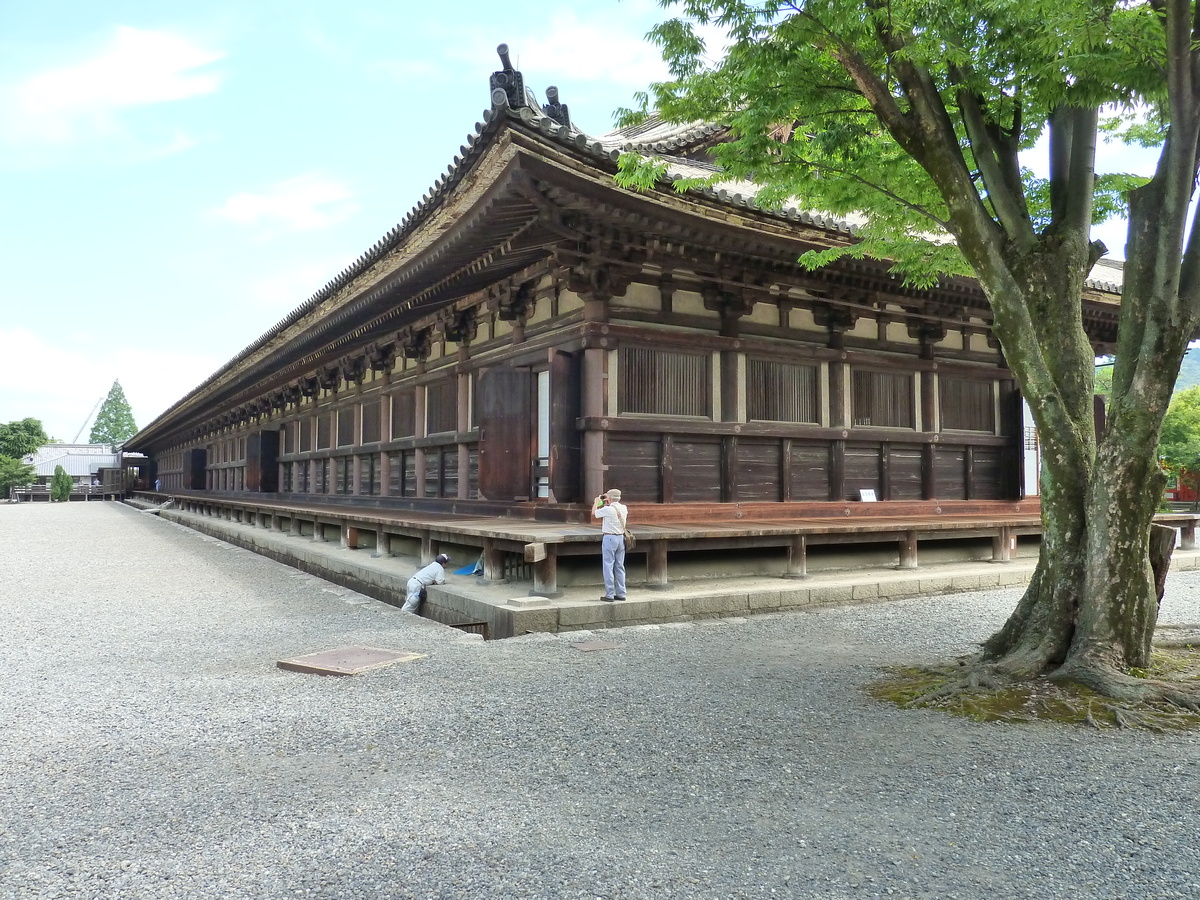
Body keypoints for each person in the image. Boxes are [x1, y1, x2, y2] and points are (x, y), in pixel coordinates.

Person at [593, 489, 628, 601]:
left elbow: (594, 513)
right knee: (620, 566)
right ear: (619, 498)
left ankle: (609, 594)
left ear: (609, 498)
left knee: (608, 566)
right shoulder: (624, 508)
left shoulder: (607, 509)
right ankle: (621, 593)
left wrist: (596, 502)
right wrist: (606, 501)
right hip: (621, 538)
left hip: (609, 538)